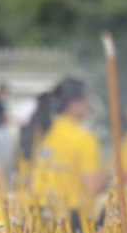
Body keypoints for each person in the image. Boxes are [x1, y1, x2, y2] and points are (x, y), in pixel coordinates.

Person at [19, 76, 106, 213]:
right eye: (87, 100)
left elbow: (25, 178)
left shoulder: (39, 131)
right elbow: (92, 186)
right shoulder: (85, 139)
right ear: (73, 104)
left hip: (34, 214)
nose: (90, 106)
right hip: (70, 217)